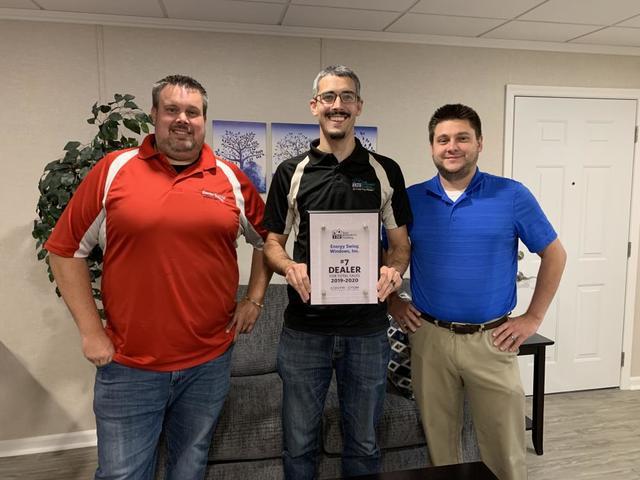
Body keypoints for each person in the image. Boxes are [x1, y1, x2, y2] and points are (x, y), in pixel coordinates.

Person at [45, 74, 271, 480]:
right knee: (122, 474)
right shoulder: (114, 170)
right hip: (129, 366)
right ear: (155, 115)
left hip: (209, 362)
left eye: (192, 111)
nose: (182, 119)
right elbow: (64, 250)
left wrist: (254, 298)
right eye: (172, 110)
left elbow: (268, 240)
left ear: (204, 120)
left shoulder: (230, 178)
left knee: (190, 466)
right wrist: (91, 331)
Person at [389, 103, 566, 480]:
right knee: (441, 448)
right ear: (432, 147)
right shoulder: (411, 199)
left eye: (462, 138)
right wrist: (392, 302)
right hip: (429, 339)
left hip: (492, 341)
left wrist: (532, 318)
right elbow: (387, 256)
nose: (452, 147)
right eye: (443, 139)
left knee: (505, 451)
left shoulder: (512, 195)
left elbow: (555, 254)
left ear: (479, 143)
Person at [262, 65, 412, 479]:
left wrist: (394, 273)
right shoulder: (291, 172)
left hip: (366, 331)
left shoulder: (385, 170)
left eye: (347, 97)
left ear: (359, 107)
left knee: (363, 444)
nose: (337, 105)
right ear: (315, 107)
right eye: (329, 97)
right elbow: (271, 243)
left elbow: (401, 246)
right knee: (298, 444)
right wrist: (289, 266)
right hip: (305, 331)